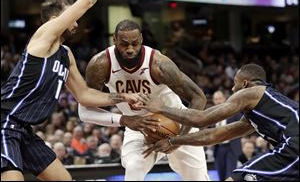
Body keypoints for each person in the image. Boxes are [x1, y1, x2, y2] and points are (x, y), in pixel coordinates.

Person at [1, 0, 146, 181]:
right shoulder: (43, 37)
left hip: (23, 130)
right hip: (5, 121)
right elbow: (86, 1)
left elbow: (84, 95)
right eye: (72, 17)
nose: (77, 23)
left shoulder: (66, 54)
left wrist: (124, 97)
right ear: (54, 20)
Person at [78, 19, 210, 180]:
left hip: (177, 121)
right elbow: (84, 111)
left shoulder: (159, 64)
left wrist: (178, 138)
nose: (130, 49)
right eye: (124, 44)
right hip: (139, 125)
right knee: (134, 167)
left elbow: (199, 98)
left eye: (134, 43)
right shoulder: (100, 65)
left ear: (141, 39)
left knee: (198, 178)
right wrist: (125, 119)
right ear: (115, 41)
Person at [141, 63, 299, 181]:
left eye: (234, 83)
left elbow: (201, 119)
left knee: (238, 178)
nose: (231, 89)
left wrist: (162, 108)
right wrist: (173, 140)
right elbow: (215, 135)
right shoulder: (258, 113)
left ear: (244, 84)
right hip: (292, 148)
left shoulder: (251, 93)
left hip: (294, 146)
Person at [212, 91, 242, 181]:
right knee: (221, 176)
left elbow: (242, 124)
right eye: (216, 99)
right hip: (218, 148)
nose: (218, 101)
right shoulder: (212, 114)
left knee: (229, 176)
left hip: (231, 147)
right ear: (213, 101)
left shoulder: (233, 111)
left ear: (225, 99)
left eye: (220, 99)